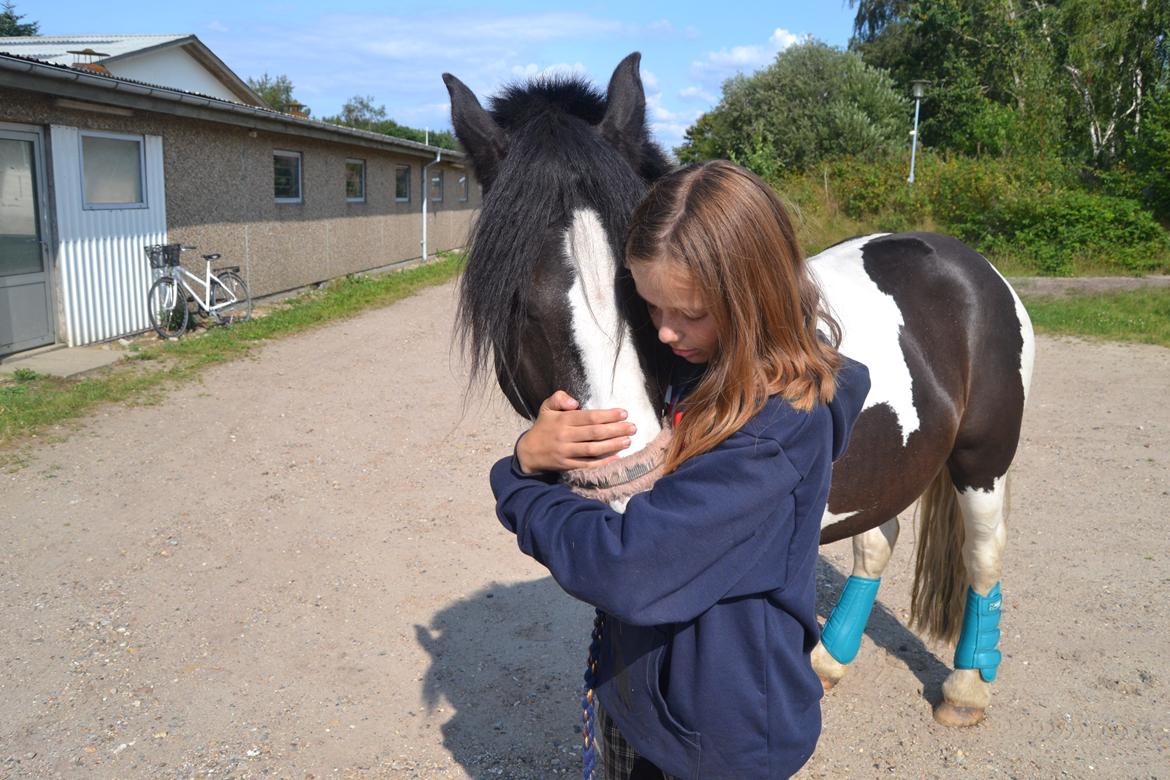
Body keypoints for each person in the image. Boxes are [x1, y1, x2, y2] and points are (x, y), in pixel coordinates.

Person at [488, 160, 871, 779]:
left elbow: (628, 567)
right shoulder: (700, 366)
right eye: (650, 306)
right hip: (644, 699)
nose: (666, 333)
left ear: (756, 297)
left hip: (720, 739)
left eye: (690, 313)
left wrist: (519, 477)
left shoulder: (773, 433)